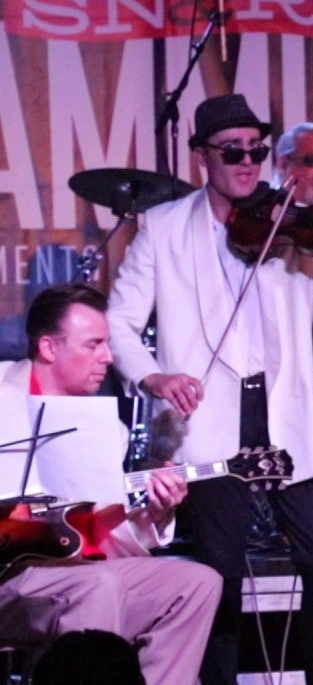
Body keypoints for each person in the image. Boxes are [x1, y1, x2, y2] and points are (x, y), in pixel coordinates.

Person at [107, 93, 313, 684]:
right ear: (203, 156)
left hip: (284, 414)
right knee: (219, 571)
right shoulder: (162, 228)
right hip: (206, 420)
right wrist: (155, 376)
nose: (247, 161)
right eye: (232, 151)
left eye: (257, 150)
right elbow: (120, 325)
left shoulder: (293, 223)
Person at [0, 283, 220, 685]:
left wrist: (157, 509)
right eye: (94, 345)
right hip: (11, 577)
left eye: (108, 344)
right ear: (49, 348)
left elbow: (109, 530)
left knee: (198, 583)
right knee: (98, 585)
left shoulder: (104, 427)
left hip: (81, 568)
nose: (109, 357)